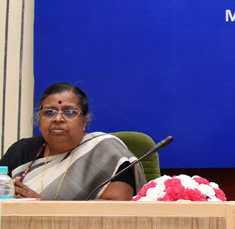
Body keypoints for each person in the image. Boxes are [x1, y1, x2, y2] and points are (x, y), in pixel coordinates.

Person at [0, 83, 146, 200]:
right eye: (49, 112)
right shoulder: (21, 150)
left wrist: (44, 208)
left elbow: (113, 211)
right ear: (39, 119)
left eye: (69, 112)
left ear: (84, 121)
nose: (58, 119)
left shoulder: (107, 153)